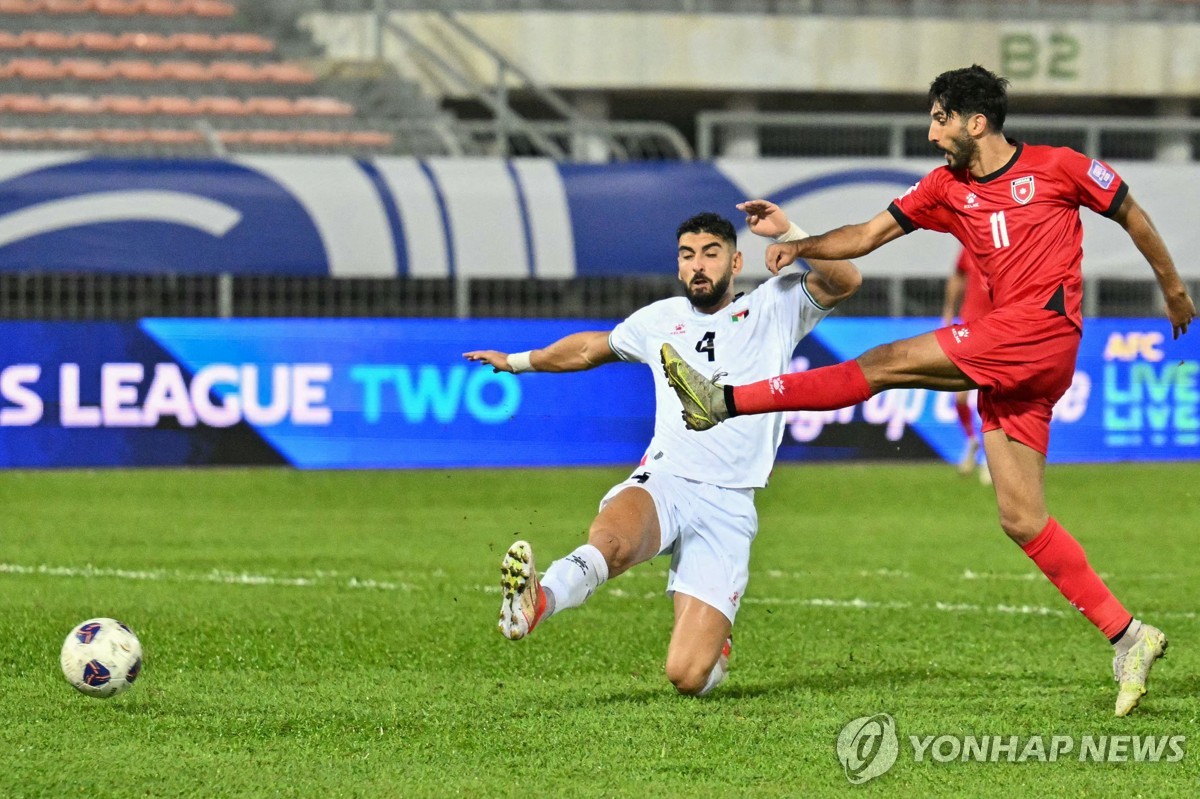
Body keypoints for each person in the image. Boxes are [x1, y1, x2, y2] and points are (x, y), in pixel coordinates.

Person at [661, 65, 1195, 715]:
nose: (931, 130)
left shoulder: (1059, 167)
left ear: (976, 122)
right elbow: (864, 236)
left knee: (883, 361)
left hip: (1040, 331)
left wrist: (1171, 285)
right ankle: (1129, 636)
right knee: (1020, 515)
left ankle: (722, 400)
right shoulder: (946, 188)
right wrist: (798, 239)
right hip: (1020, 359)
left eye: (940, 117)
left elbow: (1131, 213)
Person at [464, 211, 860, 695]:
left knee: (688, 677)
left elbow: (845, 279)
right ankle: (538, 601)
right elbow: (590, 349)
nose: (698, 266)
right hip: (667, 476)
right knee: (612, 541)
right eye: (688, 256)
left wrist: (790, 236)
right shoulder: (659, 320)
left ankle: (715, 646)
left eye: (711, 254)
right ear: (678, 267)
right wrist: (518, 362)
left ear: (736, 262)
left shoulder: (774, 306)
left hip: (729, 503)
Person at [940, 247, 994, 484]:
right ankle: (972, 440)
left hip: (995, 329)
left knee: (990, 398)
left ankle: (989, 460)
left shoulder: (1007, 247)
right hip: (968, 329)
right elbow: (958, 276)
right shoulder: (969, 248)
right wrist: (949, 312)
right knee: (960, 397)